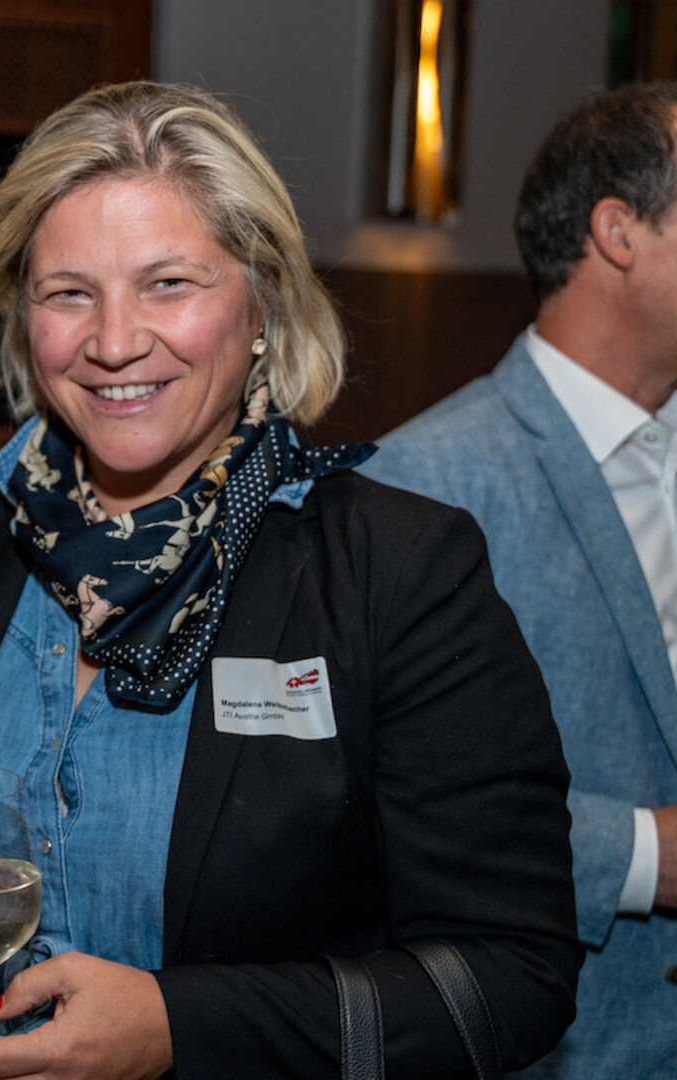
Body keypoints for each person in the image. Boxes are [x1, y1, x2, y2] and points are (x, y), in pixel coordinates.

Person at [0, 80, 582, 1079]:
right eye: (69, 292)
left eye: (168, 283)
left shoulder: (396, 571)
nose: (114, 341)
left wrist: (177, 1027)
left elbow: (510, 976)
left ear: (262, 304)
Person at [361, 82, 677, 1079]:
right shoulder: (419, 483)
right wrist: (643, 857)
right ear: (618, 232)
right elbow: (378, 800)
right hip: (566, 1044)